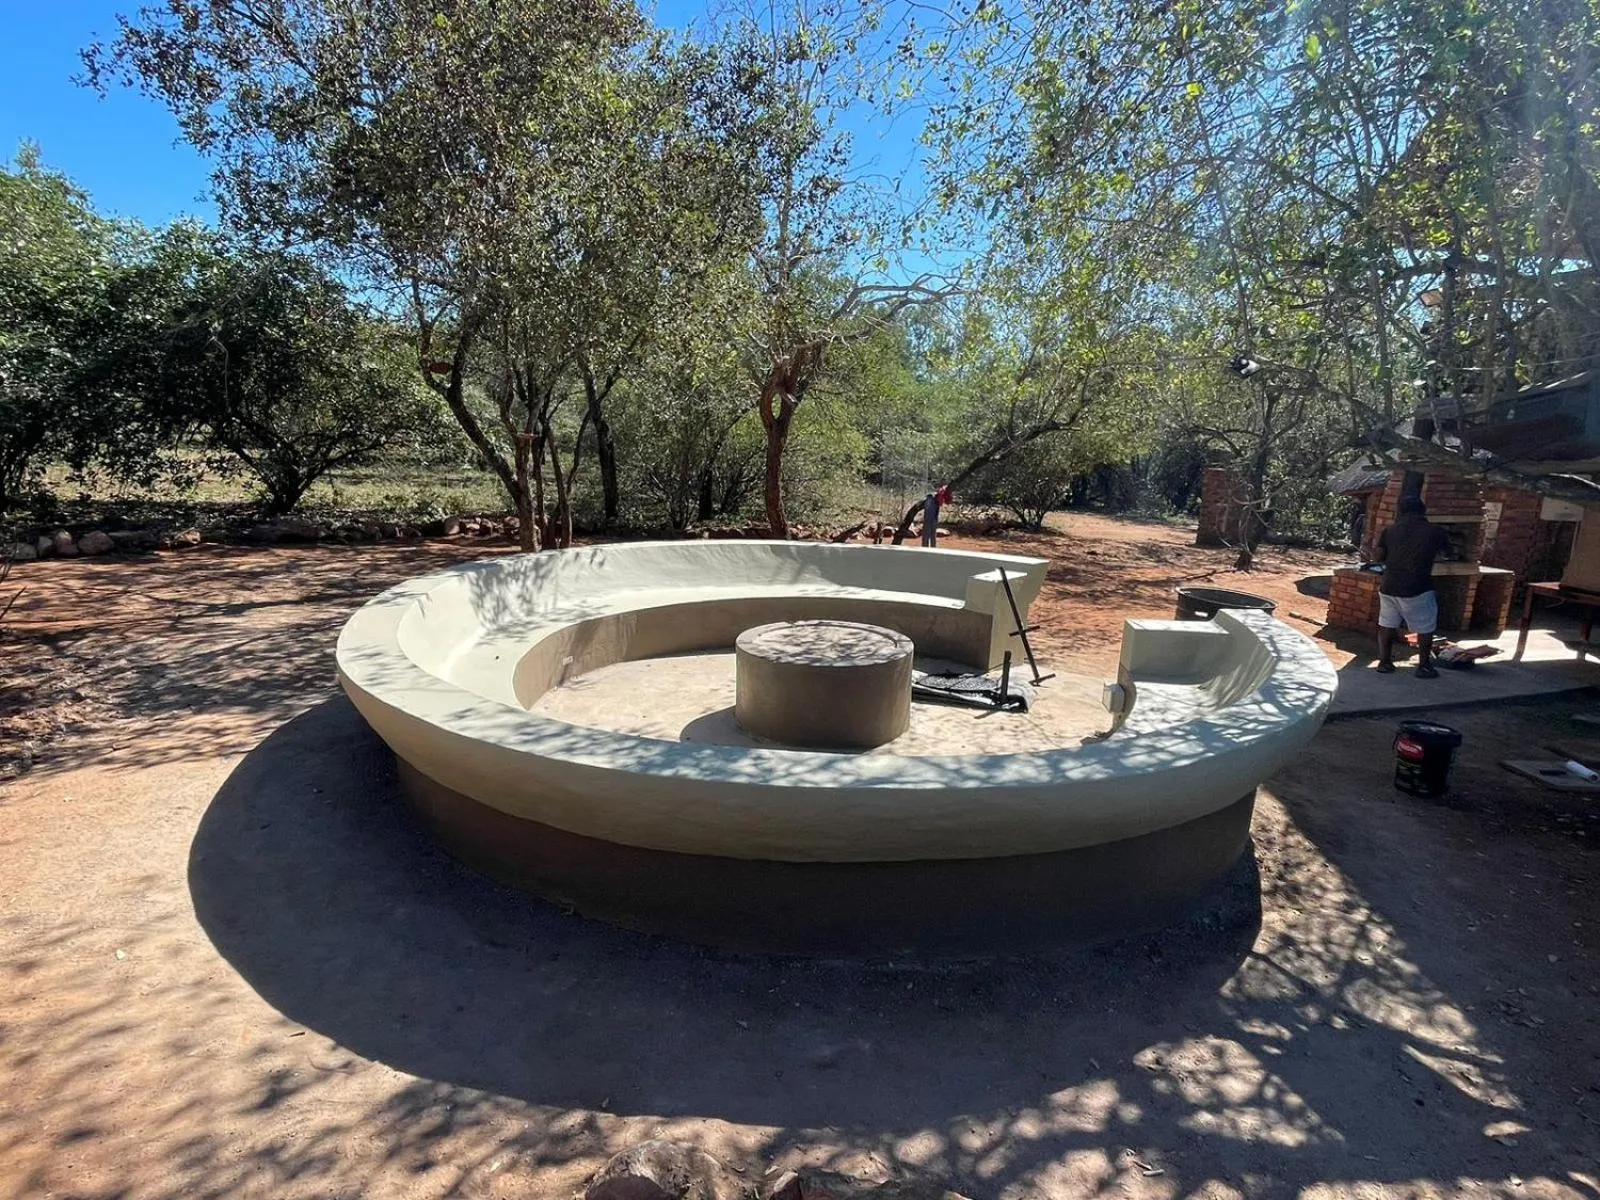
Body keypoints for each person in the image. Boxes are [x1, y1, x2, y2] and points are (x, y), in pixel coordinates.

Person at [1374, 496, 1452, 678]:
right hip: (1417, 587)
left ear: (1400, 511)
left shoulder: (1390, 530)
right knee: (1425, 628)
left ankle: (1384, 663)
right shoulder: (1435, 531)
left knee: (1387, 624)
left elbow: (1378, 556)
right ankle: (1424, 666)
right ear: (1423, 511)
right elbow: (1448, 554)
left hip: (1389, 585)